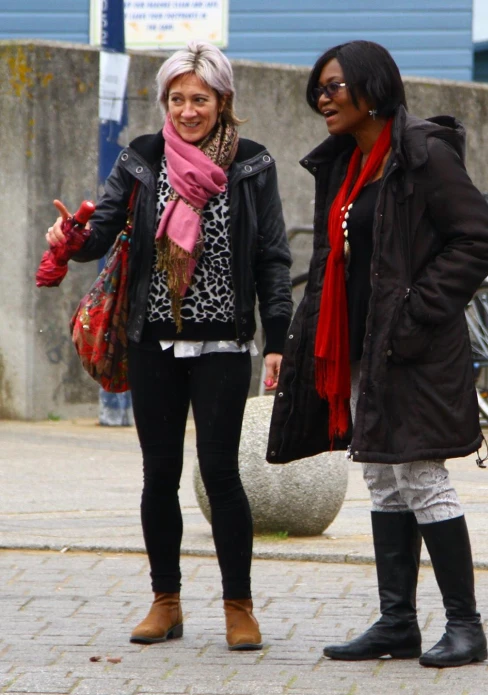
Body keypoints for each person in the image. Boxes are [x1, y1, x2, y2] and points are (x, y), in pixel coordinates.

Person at [46, 41, 292, 650]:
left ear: (223, 101)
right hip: (153, 341)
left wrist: (277, 339)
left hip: (224, 346)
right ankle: (166, 601)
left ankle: (239, 606)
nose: (187, 110)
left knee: (221, 473)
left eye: (200, 99)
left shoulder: (253, 165)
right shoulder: (142, 158)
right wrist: (70, 238)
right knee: (159, 474)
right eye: (177, 98)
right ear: (165, 101)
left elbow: (272, 258)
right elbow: (101, 230)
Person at [266, 40, 488, 668]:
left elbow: (477, 240)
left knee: (422, 477)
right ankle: (398, 622)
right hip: (364, 348)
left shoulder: (423, 153)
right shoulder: (350, 162)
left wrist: (414, 311)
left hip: (414, 348)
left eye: (334, 86)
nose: (323, 98)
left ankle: (465, 627)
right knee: (382, 478)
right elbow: (337, 263)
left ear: (373, 88)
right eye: (318, 88)